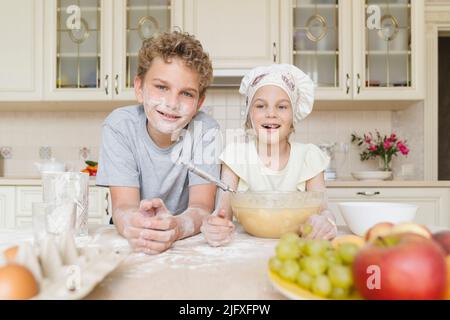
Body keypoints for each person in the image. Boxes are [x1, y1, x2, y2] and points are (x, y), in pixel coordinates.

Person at [96, 31, 221, 254]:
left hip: (184, 243)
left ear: (199, 102)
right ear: (139, 88)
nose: (172, 103)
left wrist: (176, 227)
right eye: (161, 87)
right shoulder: (119, 126)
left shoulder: (206, 131)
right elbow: (124, 207)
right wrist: (137, 225)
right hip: (131, 240)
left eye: (186, 94)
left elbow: (201, 207)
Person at [200, 64, 338, 247]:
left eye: (281, 107)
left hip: (297, 247)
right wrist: (215, 226)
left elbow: (324, 210)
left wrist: (327, 223)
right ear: (250, 114)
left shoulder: (309, 156)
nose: (271, 113)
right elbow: (222, 211)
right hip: (246, 247)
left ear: (293, 114)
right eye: (260, 106)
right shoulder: (235, 155)